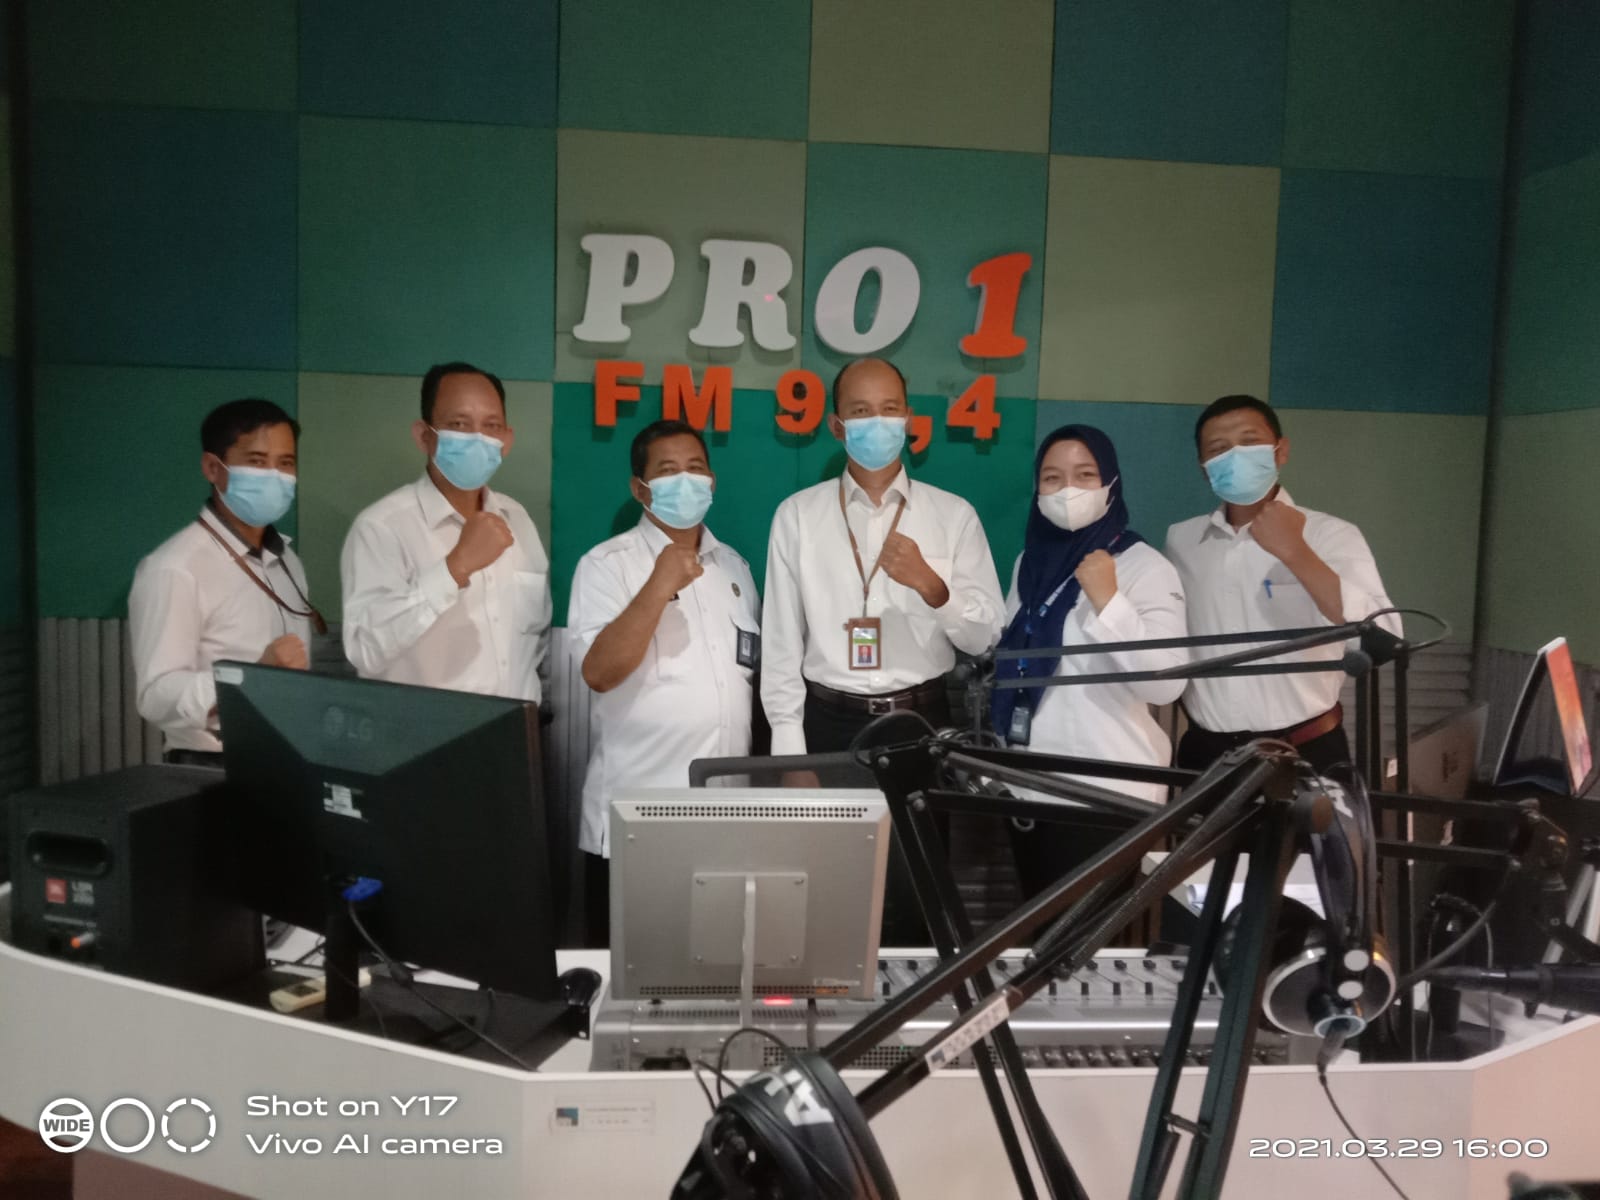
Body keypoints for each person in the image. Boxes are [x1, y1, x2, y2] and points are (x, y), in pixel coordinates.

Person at [762, 356, 1005, 943]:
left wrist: (933, 587)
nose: (877, 422)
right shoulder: (798, 516)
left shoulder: (952, 515)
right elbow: (781, 642)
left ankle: (916, 1001)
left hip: (920, 725)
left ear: (909, 419)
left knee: (920, 894)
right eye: (861, 411)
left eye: (889, 409)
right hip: (828, 724)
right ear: (836, 425)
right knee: (825, 895)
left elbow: (983, 636)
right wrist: (791, 753)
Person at [569, 419, 761, 946]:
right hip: (638, 822)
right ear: (640, 489)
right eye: (668, 471)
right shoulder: (606, 565)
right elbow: (599, 672)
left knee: (717, 969)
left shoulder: (736, 570)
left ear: (712, 481)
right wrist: (657, 586)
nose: (685, 481)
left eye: (695, 469)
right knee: (628, 975)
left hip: (724, 823)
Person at [992, 426, 1189, 900]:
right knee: (1038, 931)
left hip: (1104, 794)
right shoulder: (1028, 564)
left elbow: (1167, 684)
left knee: (1091, 938)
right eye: (1052, 478)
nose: (1068, 490)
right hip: (1029, 788)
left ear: (1111, 484)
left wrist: (1109, 601)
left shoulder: (1142, 566)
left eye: (1085, 475)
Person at [1165, 395, 1401, 775]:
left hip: (1306, 751)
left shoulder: (1330, 534)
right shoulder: (1182, 541)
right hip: (1206, 757)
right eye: (1219, 449)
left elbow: (1384, 638)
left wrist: (1297, 553)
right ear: (1204, 468)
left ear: (1280, 451)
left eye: (1250, 442)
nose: (1236, 456)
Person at [341, 362, 551, 703]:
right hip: (423, 733)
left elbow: (534, 638)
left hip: (513, 729)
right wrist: (454, 568)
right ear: (424, 435)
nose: (477, 438)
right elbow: (364, 650)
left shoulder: (517, 519)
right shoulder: (382, 527)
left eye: (491, 426)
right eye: (459, 425)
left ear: (506, 440)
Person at [130, 399, 321, 765]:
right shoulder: (175, 568)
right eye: (257, 462)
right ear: (212, 468)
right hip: (213, 764)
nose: (275, 476)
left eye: (286, 463)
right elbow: (155, 696)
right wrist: (249, 678)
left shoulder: (287, 561)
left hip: (289, 759)